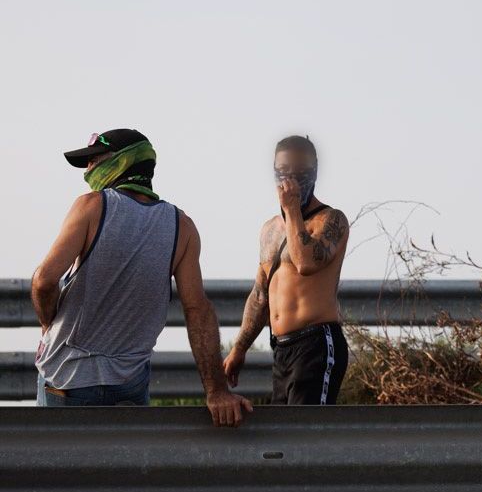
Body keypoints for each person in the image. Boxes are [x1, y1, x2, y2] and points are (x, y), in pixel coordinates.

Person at [32, 129, 252, 426]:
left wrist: (47, 323)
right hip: (129, 384)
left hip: (68, 380)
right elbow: (198, 310)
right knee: (123, 469)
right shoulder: (182, 226)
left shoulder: (91, 206)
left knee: (55, 470)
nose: (88, 170)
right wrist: (216, 392)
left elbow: (44, 281)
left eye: (94, 160)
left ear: (121, 162)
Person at [223, 135, 350, 405]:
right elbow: (260, 295)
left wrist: (292, 209)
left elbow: (305, 263)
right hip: (281, 349)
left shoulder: (331, 220)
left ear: (314, 171)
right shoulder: (270, 229)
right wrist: (239, 349)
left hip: (316, 343)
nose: (291, 180)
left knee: (304, 438)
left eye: (300, 173)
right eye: (283, 172)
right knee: (285, 441)